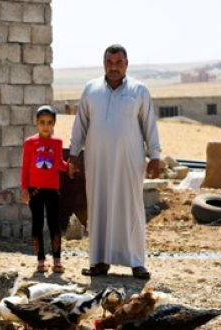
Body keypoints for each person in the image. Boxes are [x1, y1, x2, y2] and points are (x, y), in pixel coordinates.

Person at [68, 44, 161, 279]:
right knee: (98, 205)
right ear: (104, 64)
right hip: (97, 160)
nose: (114, 67)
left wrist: (155, 156)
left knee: (131, 207)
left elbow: (149, 124)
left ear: (126, 64)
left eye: (119, 63)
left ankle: (136, 262)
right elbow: (80, 124)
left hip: (129, 160)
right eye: (109, 63)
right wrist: (73, 153)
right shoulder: (91, 89)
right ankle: (99, 262)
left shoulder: (139, 90)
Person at [21, 105, 70, 273]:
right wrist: (24, 188)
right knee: (37, 223)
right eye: (42, 122)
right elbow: (26, 166)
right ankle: (40, 260)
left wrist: (69, 167)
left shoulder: (57, 143)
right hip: (35, 190)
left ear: (54, 123)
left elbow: (58, 164)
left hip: (53, 189)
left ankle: (57, 261)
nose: (45, 126)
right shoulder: (30, 143)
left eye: (49, 122)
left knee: (54, 224)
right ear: (36, 123)